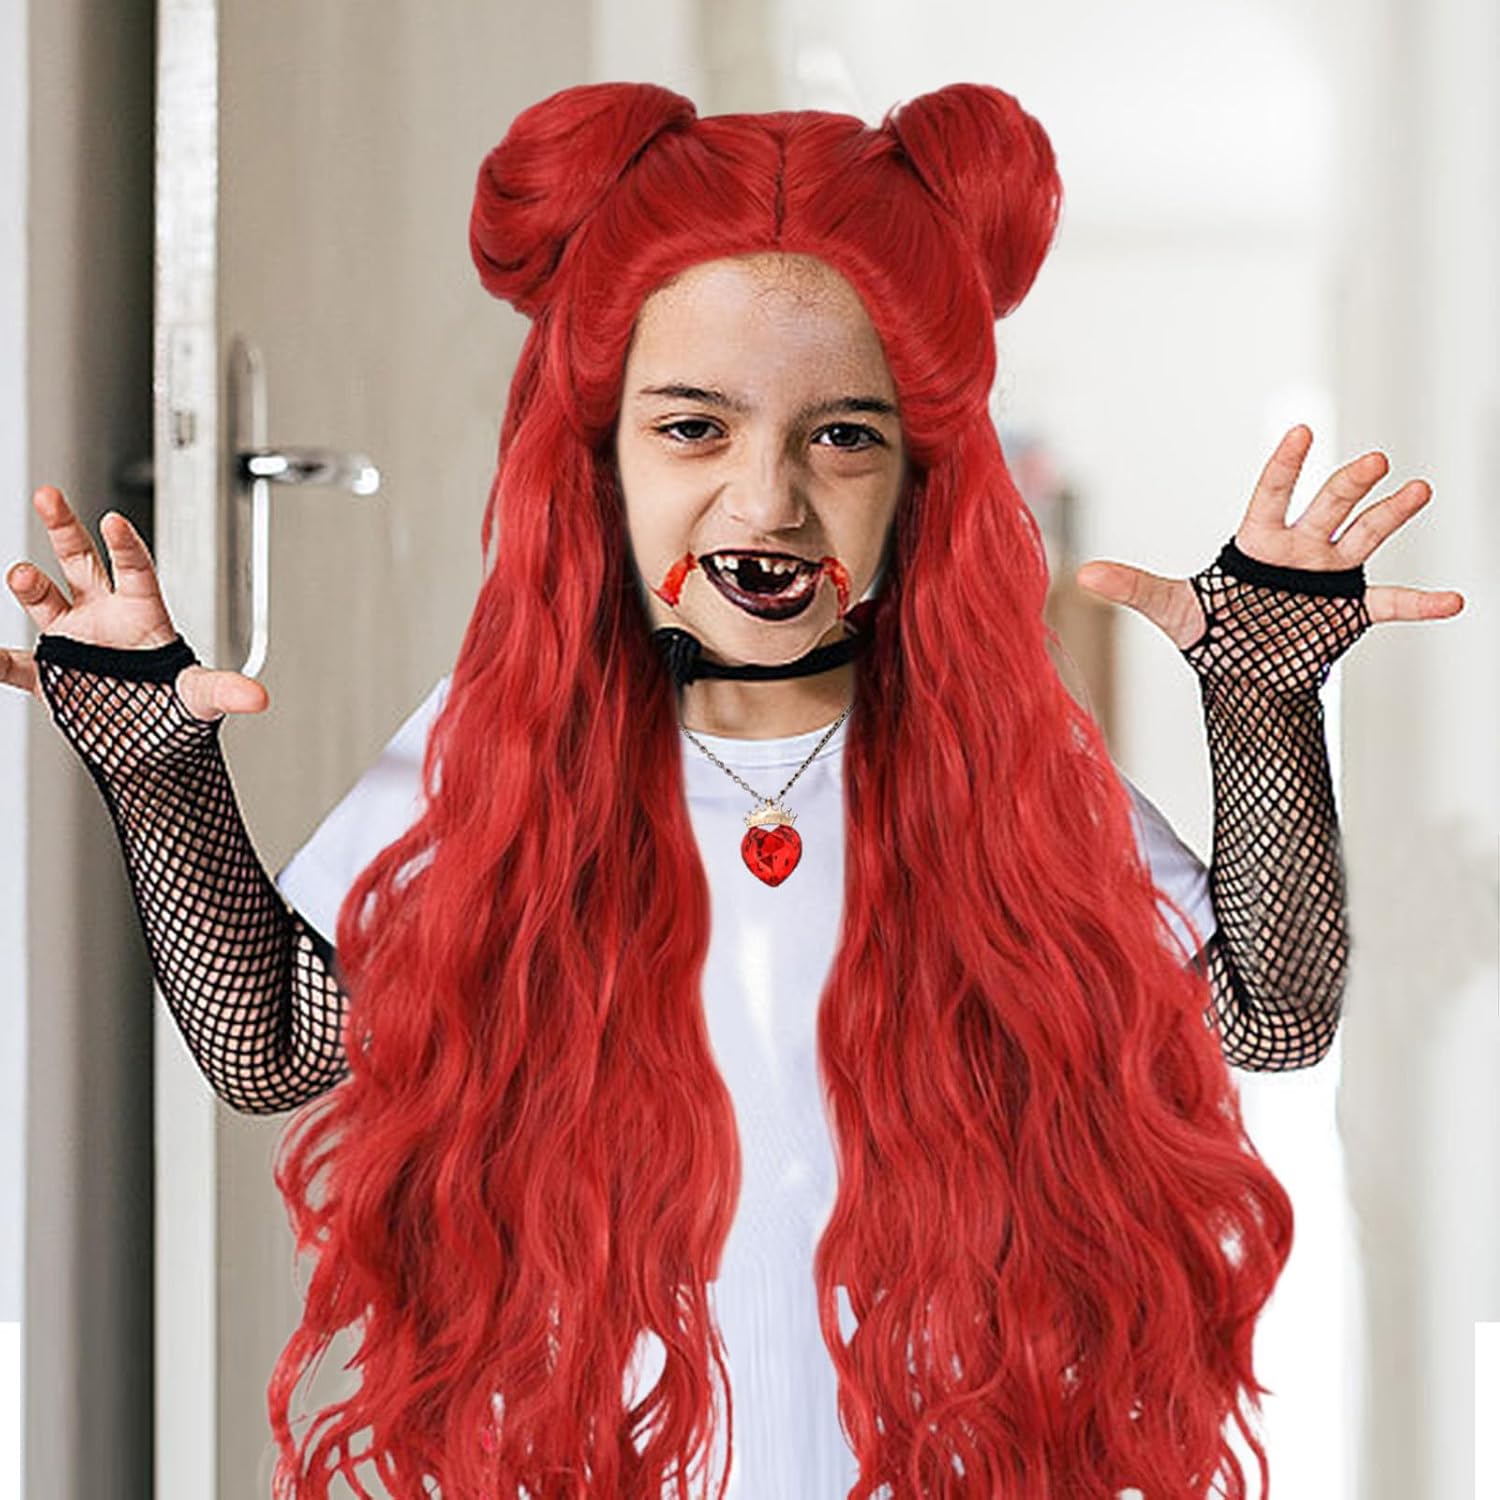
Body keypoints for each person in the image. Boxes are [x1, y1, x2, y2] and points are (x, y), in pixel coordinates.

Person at [3, 80, 1462, 1500]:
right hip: (607, 1452)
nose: (768, 501)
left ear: (922, 477)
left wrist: (1264, 701)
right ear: (596, 459)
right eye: (694, 427)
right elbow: (267, 1046)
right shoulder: (512, 752)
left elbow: (1272, 1017)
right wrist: (154, 768)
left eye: (844, 436)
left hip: (952, 1448)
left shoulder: (994, 762)